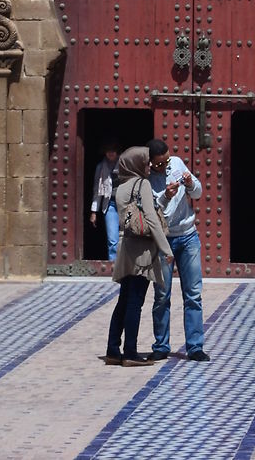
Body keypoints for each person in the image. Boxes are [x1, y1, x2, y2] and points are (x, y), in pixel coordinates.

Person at [105, 146, 173, 368]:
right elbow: (151, 219)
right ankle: (131, 353)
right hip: (142, 252)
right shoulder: (141, 184)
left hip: (127, 248)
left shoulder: (122, 186)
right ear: (135, 164)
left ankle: (113, 350)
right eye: (145, 163)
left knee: (124, 301)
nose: (149, 166)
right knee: (135, 302)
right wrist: (166, 249)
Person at [147, 136, 209, 362]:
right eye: (160, 164)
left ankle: (195, 347)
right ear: (151, 162)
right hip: (163, 241)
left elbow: (198, 193)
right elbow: (153, 210)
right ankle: (161, 345)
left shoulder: (177, 164)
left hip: (188, 237)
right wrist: (165, 195)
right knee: (162, 295)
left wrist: (190, 183)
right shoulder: (147, 178)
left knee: (193, 294)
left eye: (166, 161)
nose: (165, 167)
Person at [89, 140, 120, 261]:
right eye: (108, 151)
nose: (111, 153)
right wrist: (93, 211)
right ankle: (113, 266)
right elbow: (97, 190)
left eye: (113, 150)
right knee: (112, 239)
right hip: (110, 204)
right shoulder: (101, 167)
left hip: (126, 204)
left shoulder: (126, 164)